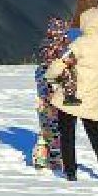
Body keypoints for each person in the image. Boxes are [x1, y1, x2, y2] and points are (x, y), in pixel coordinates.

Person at [48, 7, 98, 183]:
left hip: (71, 96)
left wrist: (50, 75)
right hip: (94, 99)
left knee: (67, 135)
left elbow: (61, 63)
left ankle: (70, 171)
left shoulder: (80, 44)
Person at [30, 18, 74, 171]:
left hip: (44, 97)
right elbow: (60, 71)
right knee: (57, 129)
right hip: (55, 95)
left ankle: (43, 157)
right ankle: (54, 158)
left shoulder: (45, 46)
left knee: (46, 128)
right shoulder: (62, 50)